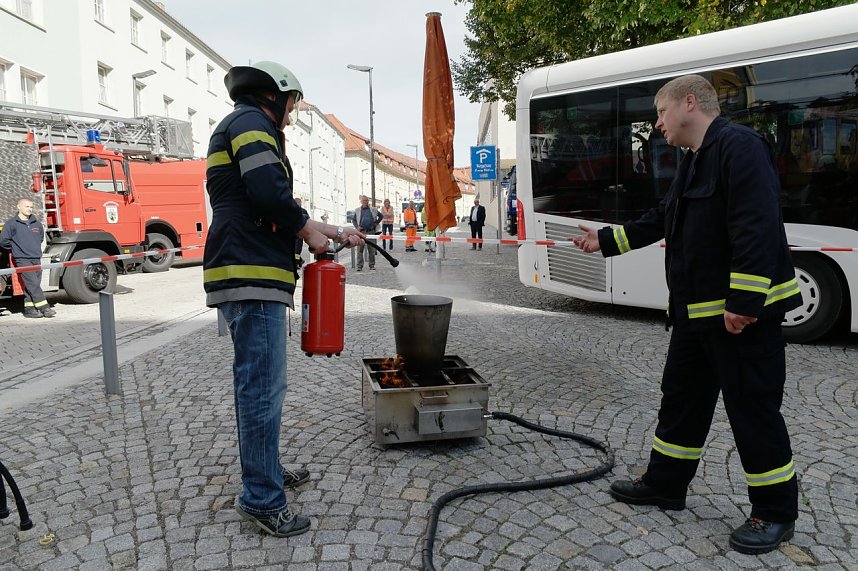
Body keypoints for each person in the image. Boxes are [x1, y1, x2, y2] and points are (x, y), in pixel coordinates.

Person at [572, 75, 801, 555]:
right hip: (697, 317)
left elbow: (756, 225)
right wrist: (605, 240)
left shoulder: (740, 147)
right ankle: (666, 484)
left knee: (753, 411)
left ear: (689, 104)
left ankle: (775, 513)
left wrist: (745, 302)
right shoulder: (695, 160)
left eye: (660, 113)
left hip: (739, 320)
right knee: (681, 400)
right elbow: (663, 217)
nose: (657, 125)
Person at [203, 61, 364, 538]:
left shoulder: (241, 124)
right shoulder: (251, 124)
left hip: (250, 268)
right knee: (260, 389)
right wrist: (312, 236)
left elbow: (269, 203)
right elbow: (271, 194)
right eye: (292, 104)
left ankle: (266, 471)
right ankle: (261, 498)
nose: (292, 115)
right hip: (250, 272)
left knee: (262, 387)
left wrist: (333, 230)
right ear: (274, 96)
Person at [0, 198, 55, 318]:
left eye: (31, 207)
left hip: (35, 257)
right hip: (22, 259)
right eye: (26, 206)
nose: (29, 209)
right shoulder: (11, 224)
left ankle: (29, 309)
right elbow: (3, 241)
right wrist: (17, 247)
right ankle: (44, 308)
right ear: (18, 207)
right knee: (33, 283)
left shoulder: (37, 224)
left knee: (31, 285)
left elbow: (40, 238)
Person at [352, 195, 382, 270]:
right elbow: (354, 220)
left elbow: (381, 216)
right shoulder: (357, 210)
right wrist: (357, 227)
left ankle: (371, 265)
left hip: (371, 232)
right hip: (361, 232)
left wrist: (376, 223)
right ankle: (359, 266)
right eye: (364, 201)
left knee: (371, 250)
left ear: (368, 201)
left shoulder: (373, 209)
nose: (365, 202)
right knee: (359, 250)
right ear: (361, 202)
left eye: (366, 200)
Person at [293, 197, 309, 270]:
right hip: (293, 234)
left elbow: (308, 221)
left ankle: (297, 263)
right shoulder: (292, 210)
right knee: (294, 251)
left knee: (297, 251)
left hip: (300, 236)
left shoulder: (303, 211)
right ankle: (299, 261)